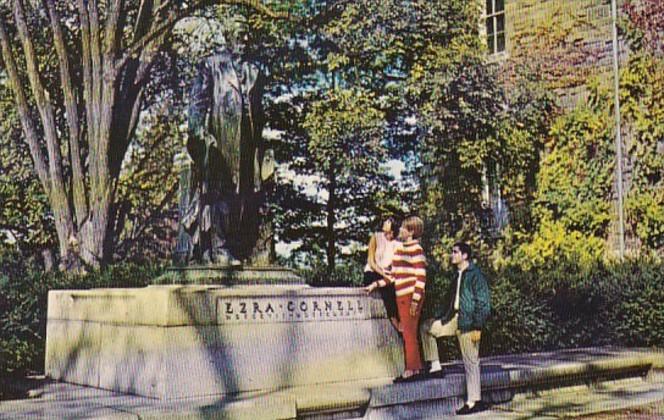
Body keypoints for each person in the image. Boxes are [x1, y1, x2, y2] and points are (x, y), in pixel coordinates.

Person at [419, 242, 491, 415]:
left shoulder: (476, 275)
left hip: (469, 322)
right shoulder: (456, 276)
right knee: (426, 328)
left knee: (471, 361)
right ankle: (435, 365)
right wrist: (439, 317)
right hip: (453, 318)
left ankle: (474, 401)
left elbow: (484, 303)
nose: (452, 255)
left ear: (465, 256)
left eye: (455, 252)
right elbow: (448, 302)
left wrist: (477, 327)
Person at [365, 216, 426, 382]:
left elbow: (421, 276)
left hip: (411, 296)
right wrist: (375, 284)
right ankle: (415, 368)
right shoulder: (401, 249)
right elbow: (393, 276)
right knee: (408, 333)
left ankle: (411, 369)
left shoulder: (416, 249)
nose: (401, 231)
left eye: (404, 228)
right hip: (401, 296)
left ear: (412, 231)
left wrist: (415, 300)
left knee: (409, 333)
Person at [363, 218, 400, 331]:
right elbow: (371, 261)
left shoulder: (397, 244)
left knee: (392, 287)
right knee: (387, 286)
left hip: (386, 275)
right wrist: (383, 274)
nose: (385, 224)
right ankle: (395, 321)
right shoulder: (376, 237)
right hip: (372, 272)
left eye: (388, 223)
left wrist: (388, 275)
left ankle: (398, 322)